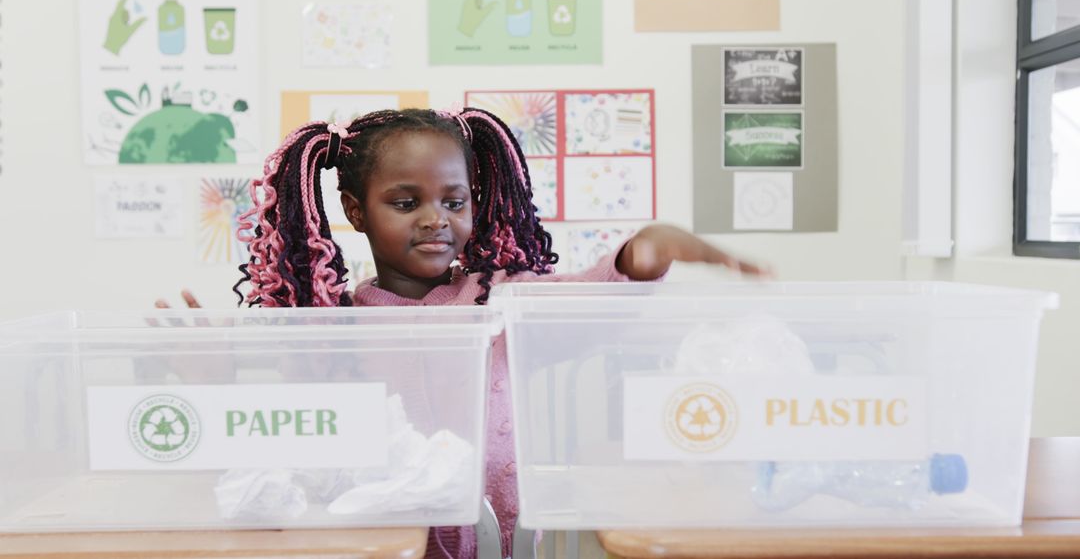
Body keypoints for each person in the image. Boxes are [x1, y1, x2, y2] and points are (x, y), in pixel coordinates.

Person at [163, 108, 767, 558]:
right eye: (405, 202)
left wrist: (643, 252)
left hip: (501, 544)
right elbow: (291, 451)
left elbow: (586, 299)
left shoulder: (501, 300)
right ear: (355, 210)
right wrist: (214, 380)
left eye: (454, 200)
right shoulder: (333, 328)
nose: (436, 219)